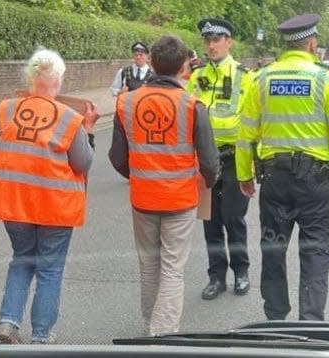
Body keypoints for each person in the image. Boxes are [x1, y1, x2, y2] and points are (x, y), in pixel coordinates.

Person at [235, 13, 329, 321]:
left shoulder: (262, 78)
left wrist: (244, 174)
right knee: (316, 250)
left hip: (275, 179)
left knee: (274, 247)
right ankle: (311, 322)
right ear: (312, 43)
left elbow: (245, 132)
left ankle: (276, 318)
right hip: (314, 181)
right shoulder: (326, 79)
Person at [108, 35, 220, 336]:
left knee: (148, 266)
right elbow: (210, 162)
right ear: (184, 66)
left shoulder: (126, 102)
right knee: (172, 269)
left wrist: (141, 176)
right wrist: (206, 182)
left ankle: (150, 327)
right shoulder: (192, 105)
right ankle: (162, 335)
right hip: (180, 200)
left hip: (143, 199)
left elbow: (117, 157)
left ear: (153, 63)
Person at [0, 48, 99, 344]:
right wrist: (88, 130)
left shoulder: (7, 109)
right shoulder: (70, 118)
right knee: (49, 269)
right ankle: (41, 336)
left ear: (30, 78)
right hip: (55, 208)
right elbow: (83, 163)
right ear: (59, 80)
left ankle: (9, 323)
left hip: (15, 204)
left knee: (22, 259)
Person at [186, 18, 253, 300]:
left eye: (217, 40)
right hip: (205, 161)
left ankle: (241, 271)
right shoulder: (196, 76)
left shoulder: (244, 76)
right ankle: (216, 276)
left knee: (233, 219)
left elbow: (252, 121)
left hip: (234, 158)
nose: (211, 45)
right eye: (207, 40)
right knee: (210, 221)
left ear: (229, 41)